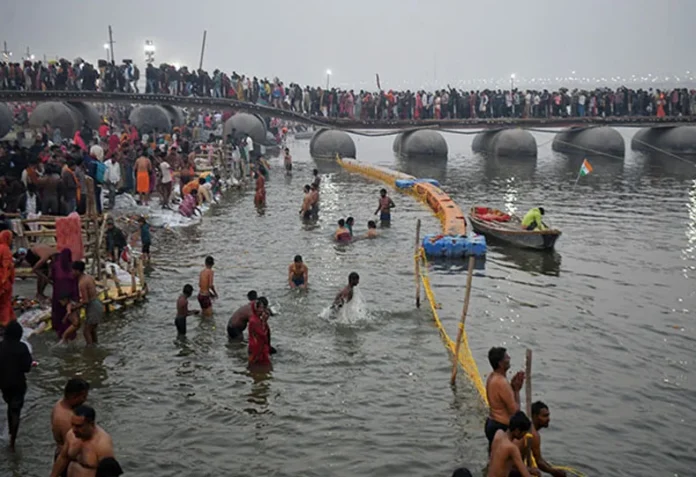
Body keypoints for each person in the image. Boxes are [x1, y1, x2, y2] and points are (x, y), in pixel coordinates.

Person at [50, 405, 115, 477]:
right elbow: (63, 457)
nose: (74, 429)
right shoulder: (71, 435)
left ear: (91, 424)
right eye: (73, 425)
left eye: (79, 426)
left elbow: (109, 474)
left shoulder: (102, 445)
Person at [0, 320, 33, 451]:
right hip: (18, 383)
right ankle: (12, 441)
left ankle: (9, 432)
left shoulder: (0, 346)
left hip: (3, 383)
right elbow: (27, 368)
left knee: (10, 405)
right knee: (16, 410)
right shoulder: (22, 347)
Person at [485, 347, 525, 454]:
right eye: (506, 357)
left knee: (493, 459)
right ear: (500, 363)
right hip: (501, 426)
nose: (509, 358)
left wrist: (512, 386)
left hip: (491, 423)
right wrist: (516, 390)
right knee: (503, 462)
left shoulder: (492, 377)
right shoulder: (501, 382)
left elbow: (501, 400)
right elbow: (515, 412)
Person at [51, 378, 90, 469]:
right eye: (83, 397)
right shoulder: (66, 419)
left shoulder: (59, 404)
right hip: (68, 462)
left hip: (60, 453)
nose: (85, 399)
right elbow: (72, 450)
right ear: (73, 396)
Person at [488, 411, 539, 477]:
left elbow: (503, 464)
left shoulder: (498, 433)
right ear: (517, 431)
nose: (524, 436)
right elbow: (526, 475)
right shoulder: (512, 448)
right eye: (524, 433)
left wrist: (529, 470)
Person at [530, 401, 566, 477]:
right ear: (535, 416)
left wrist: (552, 468)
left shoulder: (531, 430)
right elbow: (538, 461)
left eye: (548, 415)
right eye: (544, 416)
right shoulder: (533, 434)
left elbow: (538, 458)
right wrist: (554, 472)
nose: (548, 419)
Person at [51, 249, 79, 340]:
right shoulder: (71, 267)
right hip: (70, 295)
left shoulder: (55, 266)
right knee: (69, 316)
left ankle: (60, 335)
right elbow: (75, 281)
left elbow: (52, 277)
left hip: (58, 295)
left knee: (59, 315)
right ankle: (69, 336)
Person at [72, 261, 103, 346]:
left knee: (86, 331)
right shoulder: (89, 277)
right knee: (93, 330)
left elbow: (86, 301)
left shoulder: (82, 283)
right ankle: (95, 345)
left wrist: (75, 307)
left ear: (77, 271)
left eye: (73, 271)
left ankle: (90, 350)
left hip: (93, 307)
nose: (72, 273)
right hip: (97, 303)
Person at [248, 296, 271, 366]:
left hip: (259, 347)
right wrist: (264, 321)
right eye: (260, 308)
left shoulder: (257, 319)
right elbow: (263, 335)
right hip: (257, 348)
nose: (262, 310)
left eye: (262, 308)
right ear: (256, 309)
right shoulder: (254, 321)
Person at [0, 230, 16, 330]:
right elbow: (7, 267)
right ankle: (5, 324)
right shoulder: (5, 249)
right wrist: (4, 280)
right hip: (3, 280)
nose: (12, 240)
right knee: (4, 303)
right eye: (11, 238)